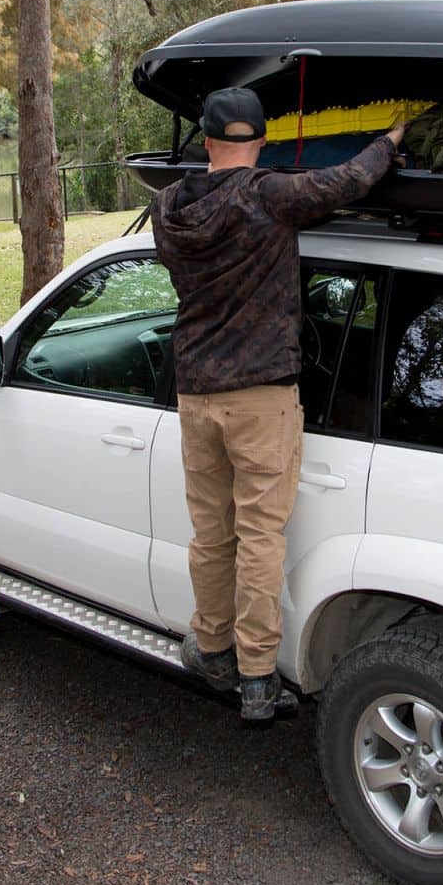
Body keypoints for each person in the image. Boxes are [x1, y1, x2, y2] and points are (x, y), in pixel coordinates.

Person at [151, 86, 404, 721]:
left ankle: (212, 646)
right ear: (260, 142)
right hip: (262, 396)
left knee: (211, 534)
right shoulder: (268, 196)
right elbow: (345, 182)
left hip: (196, 394)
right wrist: (390, 141)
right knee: (260, 534)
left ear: (206, 143)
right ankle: (258, 676)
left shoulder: (165, 208)